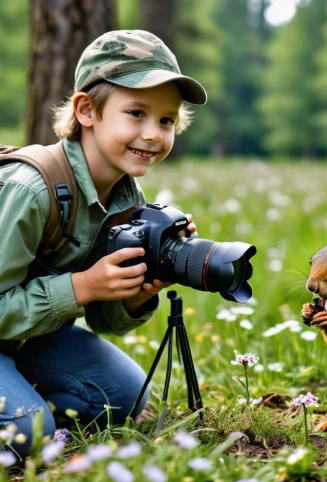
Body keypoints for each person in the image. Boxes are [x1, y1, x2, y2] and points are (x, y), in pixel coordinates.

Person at [0, 30, 207, 459]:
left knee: (123, 395)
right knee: (24, 432)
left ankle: (19, 394)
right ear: (87, 110)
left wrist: (136, 292)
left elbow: (104, 322)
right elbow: (78, 293)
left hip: (20, 339)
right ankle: (24, 413)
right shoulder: (31, 191)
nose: (153, 134)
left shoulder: (127, 201)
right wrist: (82, 287)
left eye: (166, 121)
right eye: (136, 113)